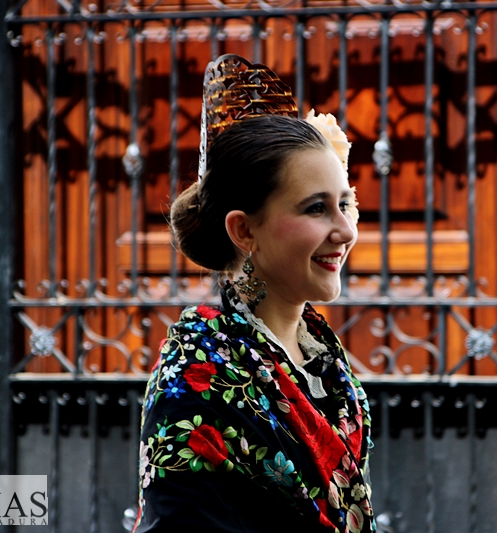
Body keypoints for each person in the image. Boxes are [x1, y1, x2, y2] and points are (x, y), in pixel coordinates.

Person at [133, 54, 375, 533]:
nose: (345, 230)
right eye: (316, 208)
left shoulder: (320, 354)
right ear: (244, 230)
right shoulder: (200, 370)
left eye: (345, 203)